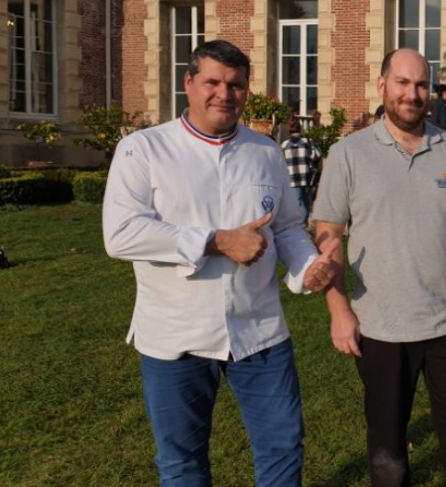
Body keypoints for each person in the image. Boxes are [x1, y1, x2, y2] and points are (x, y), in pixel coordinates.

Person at [102, 40, 338, 487]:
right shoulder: (143, 149)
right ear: (188, 83)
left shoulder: (265, 151)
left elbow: (287, 226)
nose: (224, 94)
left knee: (283, 446)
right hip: (175, 335)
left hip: (259, 330)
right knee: (182, 461)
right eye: (212, 82)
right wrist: (216, 241)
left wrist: (308, 265)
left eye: (236, 85)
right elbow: (121, 233)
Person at [312, 48, 446, 487]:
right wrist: (338, 310)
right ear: (382, 85)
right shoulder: (348, 153)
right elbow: (328, 236)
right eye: (402, 83)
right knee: (387, 451)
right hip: (380, 326)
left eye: (420, 85)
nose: (411, 94)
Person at [282, 118, 321, 224]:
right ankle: (302, 225)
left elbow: (280, 162)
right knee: (305, 203)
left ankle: (296, 226)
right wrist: (309, 163)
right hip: (307, 177)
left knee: (296, 203)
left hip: (292, 179)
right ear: (300, 129)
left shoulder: (285, 144)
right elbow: (317, 155)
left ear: (289, 130)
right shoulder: (307, 142)